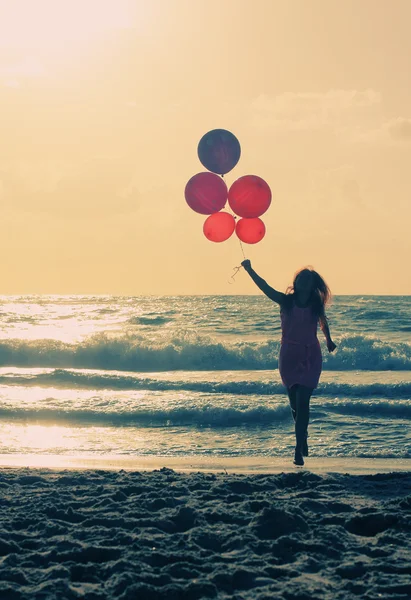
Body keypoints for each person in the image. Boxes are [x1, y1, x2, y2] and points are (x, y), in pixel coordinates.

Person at [241, 259, 336, 466]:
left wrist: (328, 339)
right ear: (296, 281)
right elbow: (265, 287)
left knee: (303, 402)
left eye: (308, 278)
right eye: (301, 277)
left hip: (311, 355)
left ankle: (297, 450)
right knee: (295, 405)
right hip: (289, 356)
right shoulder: (286, 301)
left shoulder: (315, 304)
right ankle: (303, 436)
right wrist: (250, 269)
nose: (304, 280)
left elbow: (323, 321)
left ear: (313, 285)